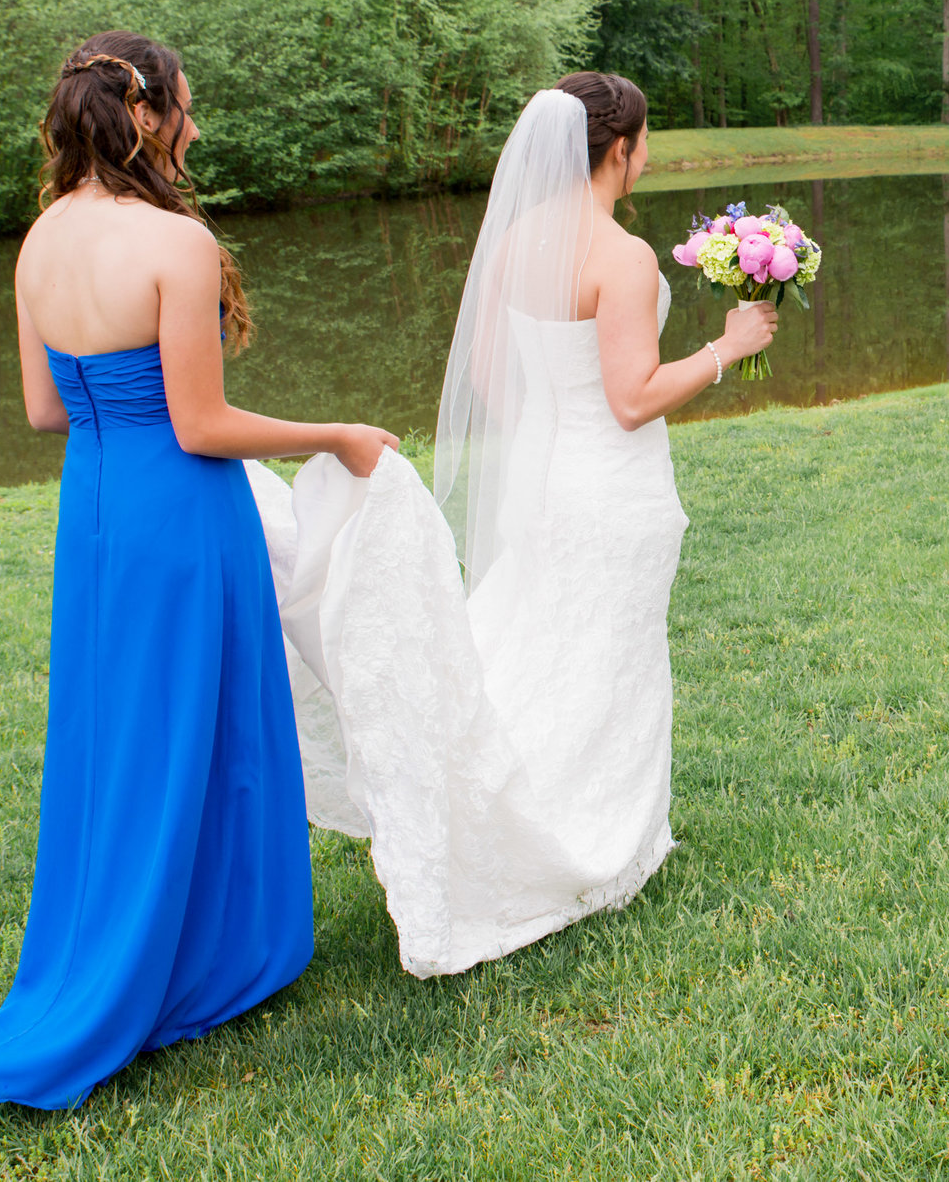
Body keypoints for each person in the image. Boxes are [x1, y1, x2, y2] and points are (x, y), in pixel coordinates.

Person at [0, 31, 399, 1110]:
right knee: (207, 722)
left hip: (96, 512)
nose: (196, 126)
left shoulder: (41, 238)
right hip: (182, 512)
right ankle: (198, 958)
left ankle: (134, 947)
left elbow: (45, 409)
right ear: (148, 118)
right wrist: (335, 434)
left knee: (123, 736)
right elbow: (200, 424)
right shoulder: (172, 244)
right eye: (188, 107)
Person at [245, 72, 777, 977]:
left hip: (544, 485)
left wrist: (546, 430)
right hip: (610, 493)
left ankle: (511, 820)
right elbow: (632, 399)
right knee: (604, 655)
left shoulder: (517, 238)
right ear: (619, 151)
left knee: (542, 646)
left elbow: (491, 378)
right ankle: (593, 847)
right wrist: (725, 349)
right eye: (644, 141)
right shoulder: (623, 255)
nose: (648, 156)